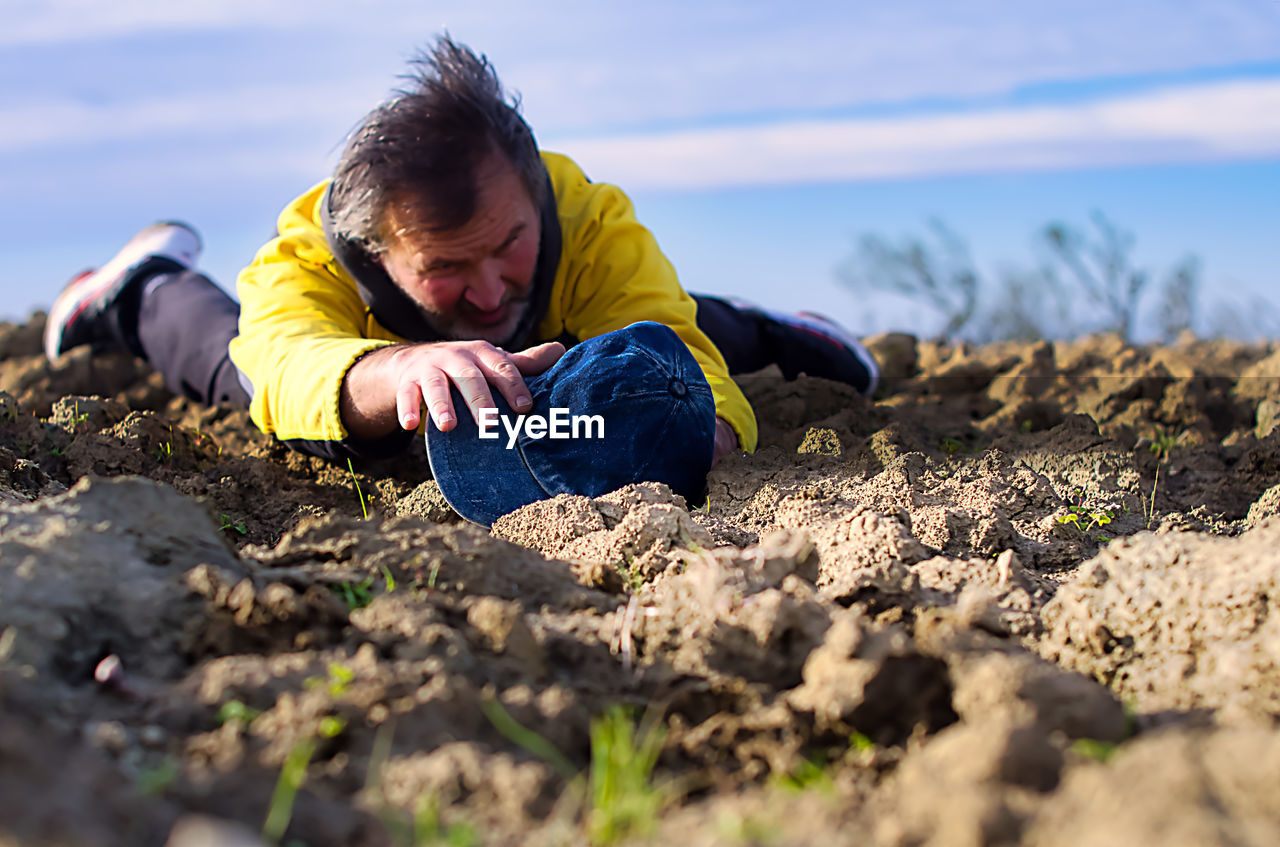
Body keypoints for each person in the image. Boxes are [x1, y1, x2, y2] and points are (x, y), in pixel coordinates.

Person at [44, 36, 878, 502]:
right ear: (376, 252)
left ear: (533, 192)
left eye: (508, 242)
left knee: (658, 335)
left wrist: (700, 428)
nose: (487, 291)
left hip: (580, 328)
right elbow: (289, 362)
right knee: (235, 364)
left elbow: (681, 350)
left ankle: (784, 330)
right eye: (445, 266)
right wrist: (398, 370)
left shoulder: (584, 213)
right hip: (365, 359)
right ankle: (140, 287)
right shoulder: (303, 259)